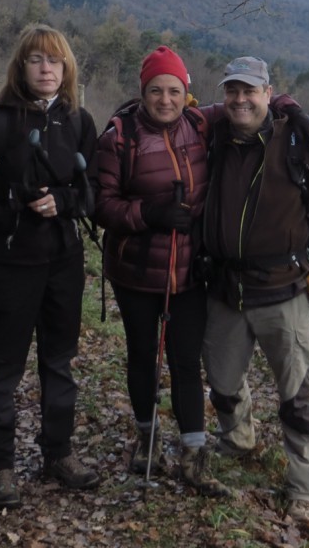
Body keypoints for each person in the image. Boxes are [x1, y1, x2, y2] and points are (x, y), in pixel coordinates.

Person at [199, 55, 309, 524]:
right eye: (232, 90)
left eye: (250, 91)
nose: (240, 99)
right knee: (223, 385)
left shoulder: (299, 143)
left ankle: (307, 487)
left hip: (283, 292)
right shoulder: (211, 136)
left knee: (296, 398)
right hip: (225, 290)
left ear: (268, 95)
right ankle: (238, 440)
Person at [0, 23, 101, 509]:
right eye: (36, 59)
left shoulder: (80, 123)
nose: (47, 68)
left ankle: (58, 453)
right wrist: (10, 211)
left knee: (59, 362)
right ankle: (0, 467)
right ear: (22, 67)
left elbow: (93, 191)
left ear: (67, 68)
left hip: (64, 262)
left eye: (54, 60)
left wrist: (66, 202)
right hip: (9, 263)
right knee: (3, 366)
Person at [93, 45, 231, 497]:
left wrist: (286, 103)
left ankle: (193, 455)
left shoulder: (200, 124)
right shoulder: (119, 137)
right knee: (143, 357)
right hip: (135, 273)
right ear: (143, 92)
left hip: (189, 274)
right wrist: (151, 213)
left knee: (186, 363)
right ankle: (147, 440)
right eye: (156, 90)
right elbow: (102, 205)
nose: (165, 99)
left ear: (186, 93)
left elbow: (247, 103)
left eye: (174, 90)